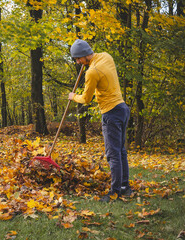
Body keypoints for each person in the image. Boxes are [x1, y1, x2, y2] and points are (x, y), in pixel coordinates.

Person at [68, 39, 132, 202]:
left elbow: (87, 99)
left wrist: (73, 96)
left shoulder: (92, 72)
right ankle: (125, 187)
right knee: (121, 151)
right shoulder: (106, 56)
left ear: (83, 56)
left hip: (111, 113)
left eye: (78, 59)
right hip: (123, 109)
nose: (77, 62)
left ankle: (115, 192)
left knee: (113, 154)